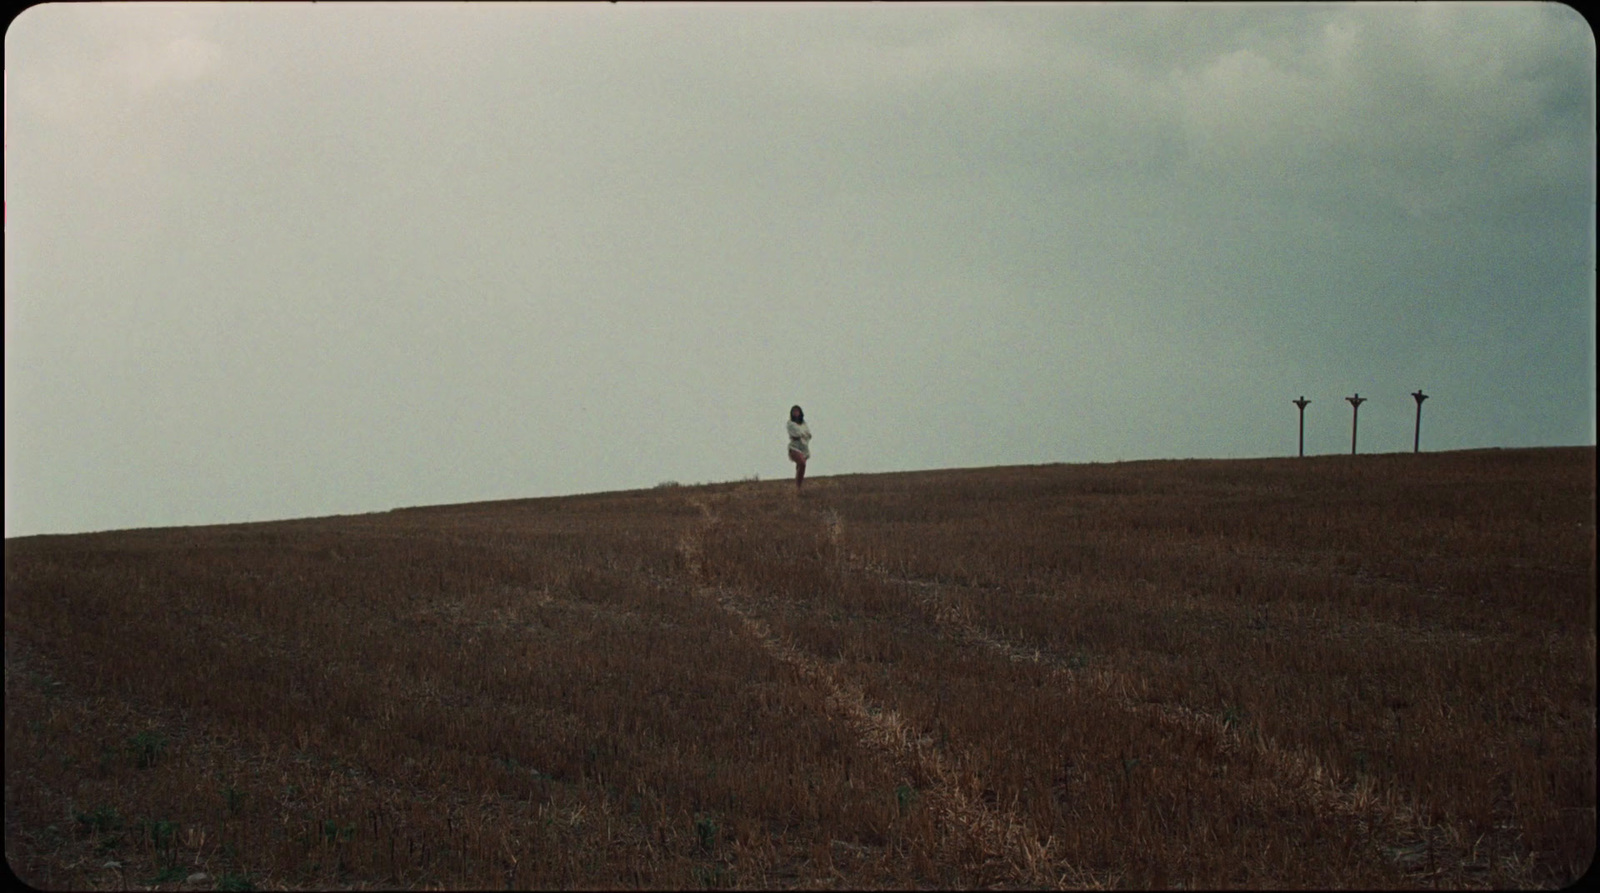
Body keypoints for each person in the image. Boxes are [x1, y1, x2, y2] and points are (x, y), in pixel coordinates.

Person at [787, 405, 811, 493]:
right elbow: (796, 434)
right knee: (802, 463)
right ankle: (797, 487)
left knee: (800, 467)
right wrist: (803, 434)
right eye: (794, 412)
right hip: (794, 447)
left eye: (797, 411)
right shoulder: (790, 423)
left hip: (804, 448)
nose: (796, 413)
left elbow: (808, 434)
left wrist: (803, 434)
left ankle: (798, 487)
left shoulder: (804, 423)